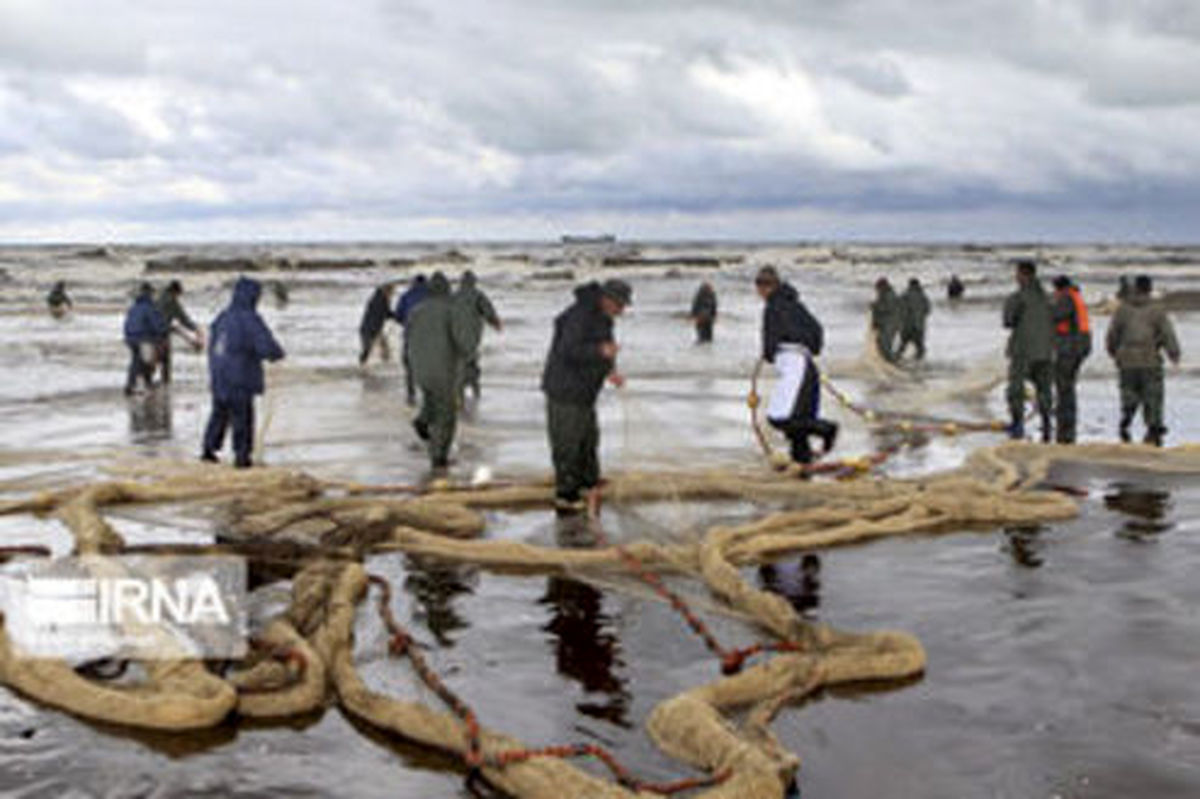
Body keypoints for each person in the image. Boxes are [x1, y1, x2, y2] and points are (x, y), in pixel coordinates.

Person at [541, 279, 631, 515]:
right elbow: (567, 350)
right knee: (567, 442)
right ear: (607, 299)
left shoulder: (604, 317)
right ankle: (566, 496)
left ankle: (588, 482)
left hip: (585, 392)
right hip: (565, 389)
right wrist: (599, 351)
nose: (622, 310)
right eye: (620, 305)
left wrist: (612, 371)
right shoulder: (579, 315)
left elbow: (606, 347)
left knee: (588, 439)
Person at [752, 266, 837, 466]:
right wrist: (812, 349)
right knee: (797, 422)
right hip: (805, 365)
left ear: (770, 286)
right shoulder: (796, 305)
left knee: (779, 417)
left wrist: (769, 353)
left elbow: (770, 338)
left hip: (794, 365)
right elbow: (817, 330)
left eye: (761, 285)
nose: (759, 290)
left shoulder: (773, 306)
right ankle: (802, 462)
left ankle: (827, 429)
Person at [201, 277, 285, 467]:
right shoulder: (250, 319)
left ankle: (208, 449)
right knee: (242, 417)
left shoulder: (222, 317)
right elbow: (264, 345)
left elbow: (213, 344)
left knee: (219, 414)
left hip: (219, 375)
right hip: (239, 376)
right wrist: (276, 354)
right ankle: (241, 456)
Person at [1105, 274, 1181, 446]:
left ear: (1135, 288)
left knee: (1128, 390)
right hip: (1149, 358)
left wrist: (1113, 352)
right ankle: (1153, 424)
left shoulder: (1122, 309)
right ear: (1150, 289)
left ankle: (1127, 416)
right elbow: (1167, 334)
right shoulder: (1157, 310)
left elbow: (1113, 334)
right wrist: (1174, 354)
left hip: (1127, 358)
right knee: (1153, 393)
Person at [407, 273, 471, 469]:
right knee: (446, 415)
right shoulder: (452, 310)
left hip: (419, 369)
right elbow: (463, 342)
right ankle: (439, 458)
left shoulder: (416, 311)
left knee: (431, 400)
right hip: (443, 370)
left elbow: (408, 336)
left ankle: (422, 420)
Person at [1002, 259, 1054, 442]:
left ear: (1023, 275)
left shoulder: (1017, 298)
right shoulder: (1050, 298)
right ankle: (1047, 423)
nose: (1015, 277)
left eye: (1017, 273)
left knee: (1016, 389)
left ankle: (1017, 424)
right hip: (1046, 350)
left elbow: (1008, 322)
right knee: (1044, 389)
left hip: (1023, 350)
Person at [1051, 276, 1092, 444]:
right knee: (1067, 383)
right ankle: (1067, 418)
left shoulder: (1067, 298)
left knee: (1064, 384)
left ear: (1059, 288)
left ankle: (1066, 421)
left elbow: (1056, 315)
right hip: (1080, 345)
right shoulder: (1075, 297)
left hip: (1071, 347)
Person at [452, 270, 502, 400]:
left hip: (455, 336)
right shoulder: (478, 296)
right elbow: (488, 312)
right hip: (472, 336)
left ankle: (459, 393)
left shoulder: (453, 296)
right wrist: (496, 324)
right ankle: (475, 390)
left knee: (459, 365)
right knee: (472, 363)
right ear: (473, 282)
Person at [122, 282, 168, 396]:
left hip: (130, 338)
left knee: (136, 361)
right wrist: (163, 331)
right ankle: (145, 385)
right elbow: (156, 324)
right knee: (146, 362)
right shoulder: (150, 307)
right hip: (143, 338)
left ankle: (132, 384)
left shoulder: (134, 307)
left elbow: (127, 323)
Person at [155, 280, 201, 384]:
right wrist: (195, 329)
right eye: (179, 294)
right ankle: (165, 381)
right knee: (165, 360)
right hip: (161, 333)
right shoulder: (171, 301)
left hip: (150, 331)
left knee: (155, 359)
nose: (178, 297)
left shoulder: (159, 297)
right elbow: (182, 318)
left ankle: (151, 379)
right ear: (175, 292)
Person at [394, 274, 429, 405]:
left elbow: (398, 316)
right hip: (429, 335)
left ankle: (411, 394)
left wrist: (405, 322)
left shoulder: (406, 296)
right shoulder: (432, 295)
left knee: (408, 364)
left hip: (410, 334)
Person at [358, 283, 396, 366]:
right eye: (391, 292)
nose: (392, 295)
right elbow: (385, 313)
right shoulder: (380, 300)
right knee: (367, 350)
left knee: (383, 348)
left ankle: (385, 364)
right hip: (370, 329)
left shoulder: (379, 299)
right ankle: (362, 367)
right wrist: (397, 316)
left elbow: (385, 314)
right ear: (386, 291)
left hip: (373, 328)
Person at [897, 278, 931, 360]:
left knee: (902, 346)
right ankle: (918, 363)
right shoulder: (923, 297)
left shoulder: (904, 295)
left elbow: (898, 310)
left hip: (906, 326)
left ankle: (896, 360)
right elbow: (927, 310)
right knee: (920, 348)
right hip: (918, 326)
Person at [870, 277, 901, 363]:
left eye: (878, 288)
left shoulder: (890, 295)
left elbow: (888, 308)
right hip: (886, 324)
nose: (877, 290)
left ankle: (892, 361)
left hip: (891, 324)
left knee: (885, 345)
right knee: (881, 344)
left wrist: (875, 306)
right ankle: (889, 361)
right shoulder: (884, 294)